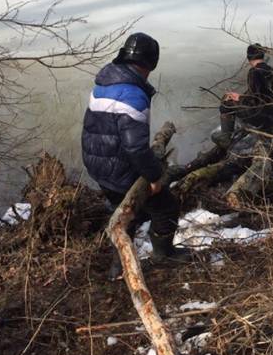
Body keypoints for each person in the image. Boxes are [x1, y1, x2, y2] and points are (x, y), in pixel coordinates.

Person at [82, 32, 191, 280]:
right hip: (118, 166)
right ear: (149, 64)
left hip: (97, 163)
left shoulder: (104, 82)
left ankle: (117, 268)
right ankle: (163, 255)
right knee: (165, 206)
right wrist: (154, 177)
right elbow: (135, 148)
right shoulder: (133, 95)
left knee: (121, 211)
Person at [213, 43, 273, 149]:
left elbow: (254, 101)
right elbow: (267, 96)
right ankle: (242, 130)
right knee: (235, 102)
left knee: (226, 105)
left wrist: (239, 98)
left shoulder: (254, 72)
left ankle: (226, 139)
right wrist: (240, 96)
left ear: (249, 57)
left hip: (263, 118)